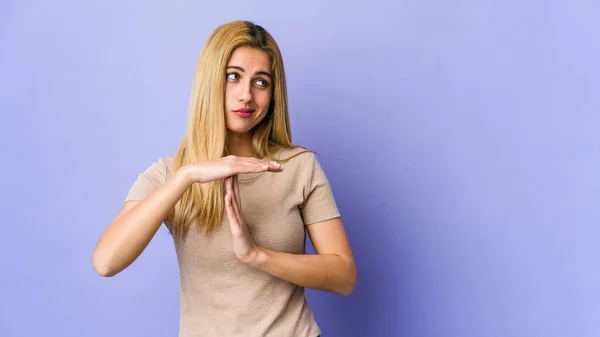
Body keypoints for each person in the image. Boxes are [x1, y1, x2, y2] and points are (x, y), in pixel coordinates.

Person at [92, 20, 356, 337]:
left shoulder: (297, 166)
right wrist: (186, 176)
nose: (246, 95)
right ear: (211, 81)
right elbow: (106, 262)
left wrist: (257, 255)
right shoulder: (169, 174)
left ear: (274, 94)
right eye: (233, 77)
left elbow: (344, 276)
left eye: (261, 82)